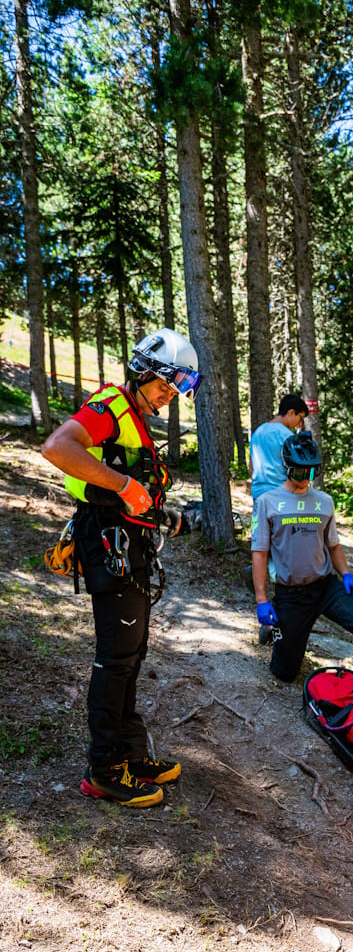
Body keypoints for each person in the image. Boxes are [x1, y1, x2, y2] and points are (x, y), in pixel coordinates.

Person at [41, 327, 202, 808]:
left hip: (129, 542)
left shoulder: (134, 416)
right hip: (106, 542)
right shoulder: (110, 405)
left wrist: (161, 516)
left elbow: (134, 490)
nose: (166, 400)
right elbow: (57, 448)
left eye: (173, 394)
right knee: (116, 655)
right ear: (143, 372)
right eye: (163, 388)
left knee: (132, 652)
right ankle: (104, 769)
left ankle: (128, 752)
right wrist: (123, 486)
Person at [252, 431, 353, 690]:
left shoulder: (324, 502)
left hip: (326, 587)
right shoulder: (267, 502)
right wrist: (262, 600)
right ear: (287, 467)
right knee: (284, 672)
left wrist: (346, 575)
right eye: (300, 472)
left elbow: (333, 545)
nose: (305, 479)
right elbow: (259, 552)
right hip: (291, 594)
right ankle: (274, 629)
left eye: (311, 473)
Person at [249, 393, 309, 501]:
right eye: (300, 418)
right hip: (281, 496)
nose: (300, 423)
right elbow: (296, 471)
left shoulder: (258, 432)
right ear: (291, 412)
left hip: (258, 494)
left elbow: (251, 468)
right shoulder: (288, 437)